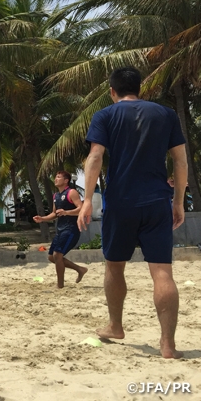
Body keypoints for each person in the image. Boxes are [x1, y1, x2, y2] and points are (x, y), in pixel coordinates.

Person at [78, 66, 188, 359]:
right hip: (157, 202)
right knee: (162, 272)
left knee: (114, 265)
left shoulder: (105, 115)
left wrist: (88, 200)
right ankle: (168, 345)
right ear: (140, 88)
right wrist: (178, 201)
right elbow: (179, 162)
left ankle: (115, 325)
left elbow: (96, 156)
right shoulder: (165, 114)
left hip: (120, 202)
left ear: (112, 91)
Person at [33, 171, 88, 288]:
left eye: (58, 177)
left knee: (57, 255)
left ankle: (60, 286)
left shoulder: (71, 192)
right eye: (55, 177)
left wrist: (66, 212)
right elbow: (54, 213)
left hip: (71, 229)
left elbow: (81, 208)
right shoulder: (55, 196)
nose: (55, 179)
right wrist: (42, 218)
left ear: (66, 180)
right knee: (51, 257)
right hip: (61, 229)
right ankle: (80, 269)